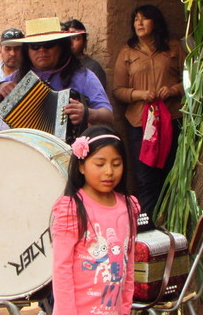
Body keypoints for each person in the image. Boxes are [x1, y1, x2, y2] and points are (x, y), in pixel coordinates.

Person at [51, 125, 139, 315]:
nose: (109, 171)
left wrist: (125, 309)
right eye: (100, 164)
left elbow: (128, 266)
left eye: (116, 164)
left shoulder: (128, 207)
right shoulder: (72, 208)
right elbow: (62, 269)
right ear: (81, 166)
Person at [0, 17, 114, 137]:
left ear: (61, 47)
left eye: (49, 45)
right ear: (27, 50)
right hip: (30, 152)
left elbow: (108, 115)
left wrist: (87, 113)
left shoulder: (83, 76)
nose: (42, 50)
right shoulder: (20, 77)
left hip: (70, 155)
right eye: (35, 46)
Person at [112, 5, 185, 221]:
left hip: (172, 120)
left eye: (144, 19)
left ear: (156, 22)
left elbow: (191, 80)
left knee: (171, 173)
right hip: (140, 124)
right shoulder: (127, 51)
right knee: (145, 177)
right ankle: (147, 226)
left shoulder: (173, 47)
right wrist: (139, 94)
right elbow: (118, 90)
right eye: (136, 19)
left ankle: (173, 225)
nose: (139, 24)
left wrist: (173, 90)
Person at [63, 19, 107, 89]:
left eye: (76, 38)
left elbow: (98, 98)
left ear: (84, 42)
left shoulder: (93, 68)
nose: (70, 43)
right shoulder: (55, 66)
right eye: (67, 38)